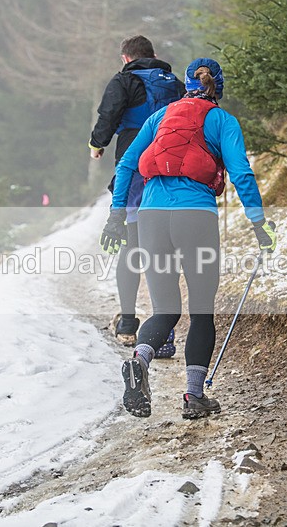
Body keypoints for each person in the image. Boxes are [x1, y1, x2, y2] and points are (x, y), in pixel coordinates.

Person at [100, 58, 277, 419]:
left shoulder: (160, 117)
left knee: (165, 308)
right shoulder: (223, 120)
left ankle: (140, 361)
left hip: (150, 217)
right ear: (218, 87)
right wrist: (259, 223)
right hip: (195, 215)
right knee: (201, 310)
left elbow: (126, 165)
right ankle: (194, 397)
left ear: (185, 85)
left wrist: (118, 213)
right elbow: (241, 173)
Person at [89, 35, 185, 352]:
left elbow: (109, 113)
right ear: (153, 55)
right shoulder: (173, 82)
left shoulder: (124, 80)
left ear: (125, 58)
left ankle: (128, 322)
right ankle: (164, 332)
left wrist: (97, 144)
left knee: (131, 247)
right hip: (170, 171)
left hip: (134, 168)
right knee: (163, 250)